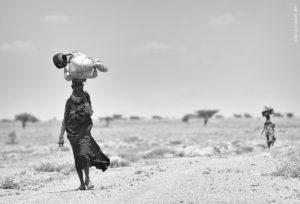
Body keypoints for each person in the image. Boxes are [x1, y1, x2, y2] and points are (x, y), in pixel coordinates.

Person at [58, 79, 110, 190]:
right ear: (73, 87)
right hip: (72, 134)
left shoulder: (86, 97)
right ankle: (82, 184)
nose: (80, 86)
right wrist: (61, 136)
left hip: (84, 132)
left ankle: (87, 179)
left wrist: (85, 99)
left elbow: (90, 112)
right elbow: (65, 119)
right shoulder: (69, 102)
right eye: (78, 85)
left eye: (82, 84)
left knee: (84, 155)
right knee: (77, 158)